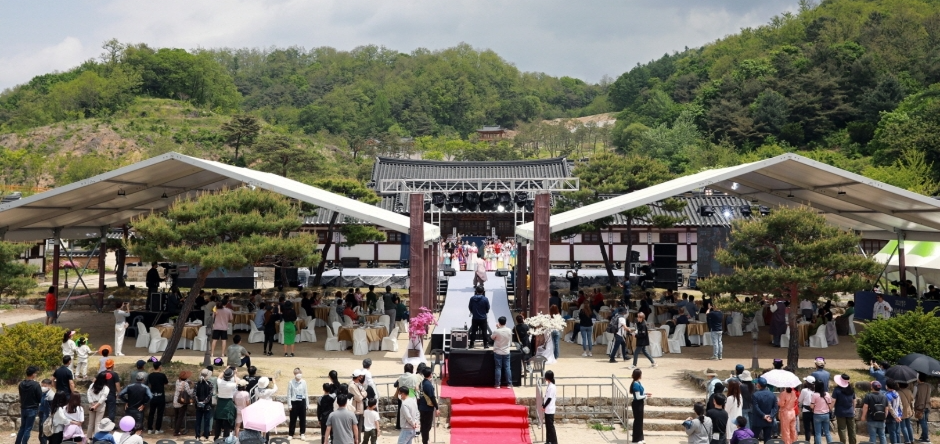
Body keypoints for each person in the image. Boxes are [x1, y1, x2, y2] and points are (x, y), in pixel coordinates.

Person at [15, 366, 42, 444]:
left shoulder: (21, 384)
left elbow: (21, 395)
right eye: (35, 373)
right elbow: (40, 397)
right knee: (28, 429)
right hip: (32, 408)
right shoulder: (36, 385)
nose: (36, 374)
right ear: (33, 374)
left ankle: (17, 442)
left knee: (22, 427)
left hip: (23, 408)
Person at [213, 368, 237, 441]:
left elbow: (219, 377)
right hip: (228, 403)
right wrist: (235, 373)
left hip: (220, 402)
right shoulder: (231, 384)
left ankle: (216, 438)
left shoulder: (219, 382)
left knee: (218, 422)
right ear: (231, 377)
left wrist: (225, 370)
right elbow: (236, 381)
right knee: (227, 423)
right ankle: (225, 439)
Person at [832, 374, 857, 444]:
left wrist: (830, 408)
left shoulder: (837, 390)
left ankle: (842, 443)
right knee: (852, 430)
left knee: (842, 429)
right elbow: (854, 400)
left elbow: (833, 400)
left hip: (840, 412)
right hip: (850, 412)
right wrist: (854, 409)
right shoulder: (851, 389)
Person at [417, 367, 438, 444]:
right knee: (427, 426)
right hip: (427, 408)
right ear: (430, 375)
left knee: (423, 425)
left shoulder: (422, 383)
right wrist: (437, 407)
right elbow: (432, 397)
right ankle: (425, 441)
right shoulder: (428, 385)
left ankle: (425, 440)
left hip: (422, 407)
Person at [751, 377, 777, 442]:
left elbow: (756, 408)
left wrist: (763, 416)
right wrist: (770, 416)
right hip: (769, 420)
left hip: (758, 420)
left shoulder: (755, 395)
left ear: (759, 385)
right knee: (767, 439)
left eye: (757, 383)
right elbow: (775, 408)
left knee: (754, 439)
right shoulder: (772, 395)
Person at [630, 368, 652, 444]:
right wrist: (645, 396)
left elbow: (641, 393)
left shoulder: (638, 382)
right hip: (637, 404)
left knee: (640, 421)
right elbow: (638, 396)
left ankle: (640, 437)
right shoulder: (635, 384)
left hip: (640, 403)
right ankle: (636, 438)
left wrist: (645, 394)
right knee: (637, 421)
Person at [146, 361, 169, 435]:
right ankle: (157, 429)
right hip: (160, 396)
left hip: (152, 396)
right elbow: (166, 383)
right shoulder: (162, 375)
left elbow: (149, 383)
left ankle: (149, 429)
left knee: (151, 413)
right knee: (160, 413)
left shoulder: (150, 375)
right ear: (159, 367)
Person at [491, 316, 513, 389]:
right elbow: (510, 341)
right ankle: (509, 384)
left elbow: (492, 337)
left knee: (498, 368)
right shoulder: (509, 330)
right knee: (507, 368)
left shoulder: (497, 331)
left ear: (499, 323)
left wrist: (497, 328)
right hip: (506, 351)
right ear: (505, 322)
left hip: (497, 351)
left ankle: (497, 384)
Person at [394, 365, 417, 430]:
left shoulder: (400, 377)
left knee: (401, 411)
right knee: (412, 411)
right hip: (411, 395)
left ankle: (399, 426)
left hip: (401, 395)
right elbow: (416, 387)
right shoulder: (414, 377)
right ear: (412, 370)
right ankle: (412, 424)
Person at [288, 368, 309, 440]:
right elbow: (289, 394)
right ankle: (291, 433)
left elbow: (306, 393)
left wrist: (307, 404)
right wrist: (289, 405)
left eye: (299, 373)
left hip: (302, 401)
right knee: (293, 419)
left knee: (302, 419)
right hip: (294, 402)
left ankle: (302, 433)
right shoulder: (291, 382)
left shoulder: (304, 382)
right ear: (294, 374)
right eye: (297, 373)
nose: (298, 374)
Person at [194, 369, 214, 441]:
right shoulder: (210, 384)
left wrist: (198, 402)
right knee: (207, 421)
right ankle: (206, 435)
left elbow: (195, 394)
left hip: (198, 406)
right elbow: (210, 395)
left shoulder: (197, 384)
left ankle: (197, 435)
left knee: (198, 421)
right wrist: (204, 402)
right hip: (207, 406)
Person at [172, 370, 193, 437]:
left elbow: (183, 382)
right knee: (180, 418)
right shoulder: (186, 384)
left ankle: (176, 429)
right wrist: (193, 388)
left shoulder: (177, 381)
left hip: (175, 401)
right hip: (181, 402)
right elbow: (189, 392)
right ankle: (177, 431)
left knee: (176, 417)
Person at [799, 375, 817, 442]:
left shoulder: (804, 390)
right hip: (815, 411)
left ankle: (807, 441)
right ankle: (816, 441)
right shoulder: (817, 390)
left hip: (806, 411)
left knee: (807, 428)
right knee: (815, 428)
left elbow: (800, 400)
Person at [914, 373, 931, 443]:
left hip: (920, 407)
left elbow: (913, 396)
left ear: (919, 378)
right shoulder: (929, 386)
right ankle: (923, 436)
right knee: (925, 422)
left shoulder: (917, 386)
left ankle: (926, 437)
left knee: (923, 422)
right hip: (928, 406)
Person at [543, 370, 557, 444]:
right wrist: (543, 404)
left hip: (550, 409)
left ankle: (554, 441)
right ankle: (548, 440)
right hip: (547, 409)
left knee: (551, 427)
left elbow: (549, 398)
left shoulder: (552, 387)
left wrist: (544, 406)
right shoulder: (549, 385)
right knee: (547, 426)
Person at [38, 378, 54, 444]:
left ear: (49, 386)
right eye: (42, 385)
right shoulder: (42, 393)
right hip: (42, 414)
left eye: (45, 386)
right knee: (41, 433)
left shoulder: (51, 395)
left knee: (44, 433)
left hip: (47, 416)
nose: (43, 387)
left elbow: (52, 408)